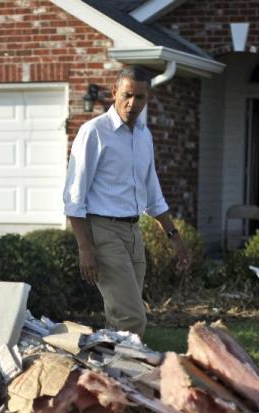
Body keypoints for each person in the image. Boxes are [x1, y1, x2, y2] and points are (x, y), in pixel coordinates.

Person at [64, 66, 187, 337]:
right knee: (131, 319)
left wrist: (174, 237)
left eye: (140, 97)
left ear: (148, 98)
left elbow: (152, 194)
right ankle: (130, 373)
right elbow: (74, 196)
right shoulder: (94, 132)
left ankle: (113, 376)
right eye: (127, 95)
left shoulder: (144, 135)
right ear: (114, 93)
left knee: (119, 322)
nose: (132, 103)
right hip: (103, 232)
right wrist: (85, 247)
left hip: (133, 233)